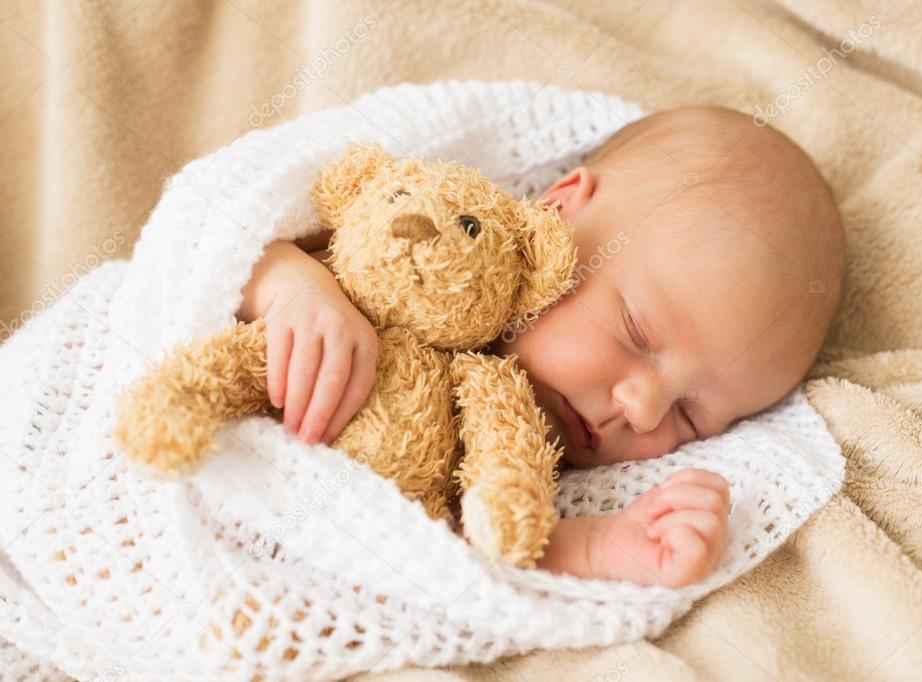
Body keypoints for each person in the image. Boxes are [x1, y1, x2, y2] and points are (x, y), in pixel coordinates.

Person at [235, 105, 845, 587]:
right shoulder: (417, 241)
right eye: (637, 332)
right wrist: (297, 289)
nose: (643, 410)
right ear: (560, 209)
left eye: (690, 417)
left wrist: (607, 546)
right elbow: (230, 241)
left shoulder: (523, 446)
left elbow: (481, 545)